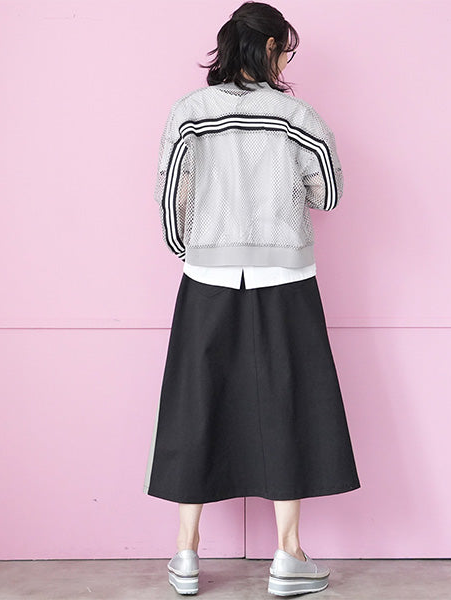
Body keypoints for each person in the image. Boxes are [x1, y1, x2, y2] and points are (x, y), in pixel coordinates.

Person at [143, 1, 361, 596]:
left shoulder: (190, 112)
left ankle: (185, 555)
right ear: (267, 49)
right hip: (285, 277)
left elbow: (169, 200)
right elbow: (329, 193)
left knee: (196, 401)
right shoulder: (297, 116)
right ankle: (288, 555)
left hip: (207, 276)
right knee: (287, 400)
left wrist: (198, 250)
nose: (287, 60)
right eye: (286, 50)